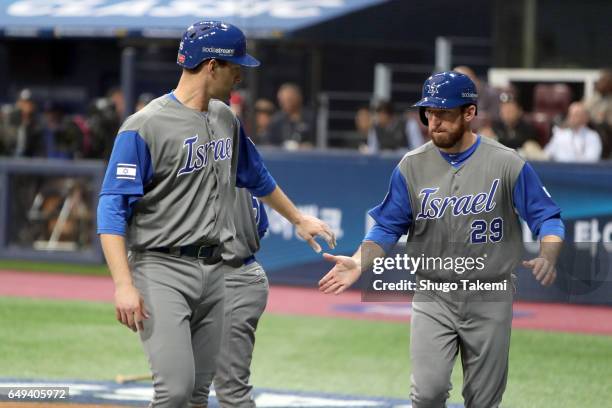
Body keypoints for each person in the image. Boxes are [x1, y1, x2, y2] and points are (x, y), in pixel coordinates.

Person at [97, 20, 335, 408]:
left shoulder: (225, 117)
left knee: (195, 395)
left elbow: (256, 176)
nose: (240, 74)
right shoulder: (144, 126)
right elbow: (111, 209)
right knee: (173, 390)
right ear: (211, 66)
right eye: (234, 65)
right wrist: (123, 285)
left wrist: (297, 218)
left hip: (217, 272)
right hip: (162, 267)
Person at [319, 72, 564, 408]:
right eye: (429, 113)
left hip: (490, 293)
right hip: (433, 292)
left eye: (444, 113)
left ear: (469, 113)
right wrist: (360, 262)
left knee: (483, 400)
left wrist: (549, 254)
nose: (434, 122)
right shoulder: (411, 166)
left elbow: (547, 217)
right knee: (427, 394)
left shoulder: (506, 162)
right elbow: (387, 226)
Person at [213, 189, 269, 407]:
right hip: (225, 275)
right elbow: (261, 228)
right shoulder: (248, 180)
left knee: (231, 390)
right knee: (185, 386)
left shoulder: (229, 176)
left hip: (235, 276)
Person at [267, 83, 317, 149]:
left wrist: (306, 146)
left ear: (298, 98)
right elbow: (270, 144)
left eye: (288, 99)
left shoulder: (311, 118)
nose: (284, 103)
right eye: (282, 100)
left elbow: (319, 143)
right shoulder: (276, 120)